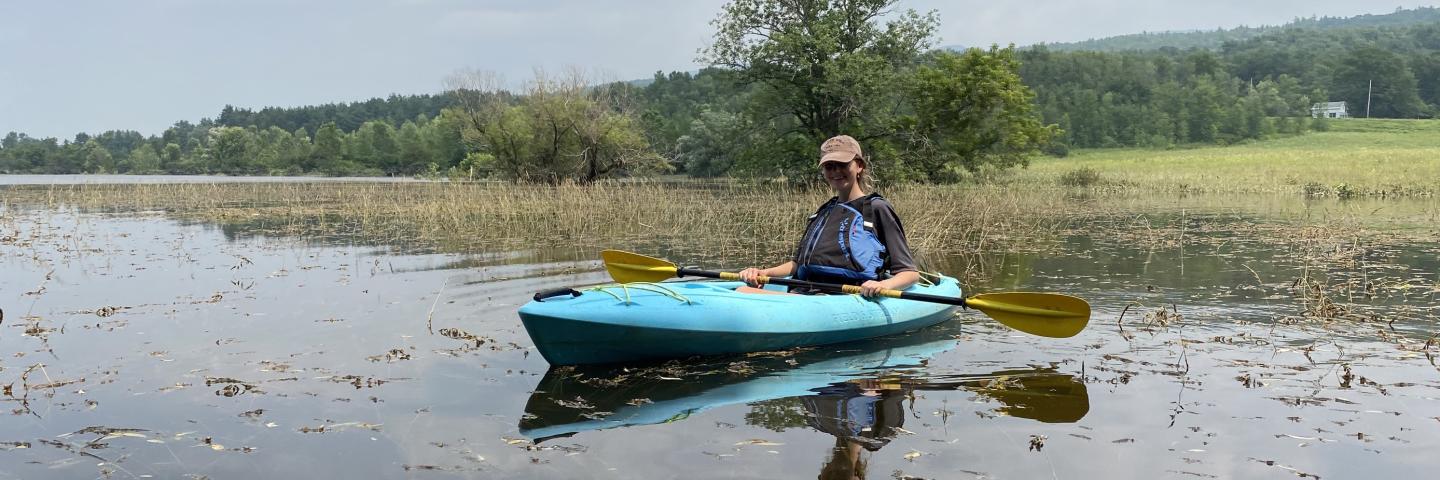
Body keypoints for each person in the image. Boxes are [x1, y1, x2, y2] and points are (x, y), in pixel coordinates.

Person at [738, 135, 919, 297]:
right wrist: (763, 272)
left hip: (844, 297)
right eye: (829, 166)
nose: (836, 172)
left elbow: (909, 273)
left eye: (843, 164)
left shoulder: (876, 208)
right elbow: (798, 264)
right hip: (805, 292)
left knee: (742, 293)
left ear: (859, 166)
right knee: (742, 290)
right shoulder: (825, 210)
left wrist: (883, 284)